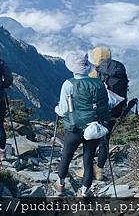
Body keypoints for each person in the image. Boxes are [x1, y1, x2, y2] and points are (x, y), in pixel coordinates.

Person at [55, 51, 110, 197]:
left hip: (74, 128)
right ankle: (85, 191)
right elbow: (105, 106)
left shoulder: (68, 84)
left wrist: (56, 109)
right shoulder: (99, 84)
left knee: (66, 155)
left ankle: (60, 184)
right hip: (93, 128)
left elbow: (63, 110)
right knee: (89, 158)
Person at [89, 46, 129, 181]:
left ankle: (88, 171)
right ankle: (99, 170)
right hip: (116, 110)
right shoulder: (119, 69)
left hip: (99, 112)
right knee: (105, 140)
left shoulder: (96, 72)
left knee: (92, 139)